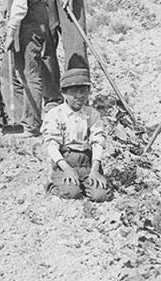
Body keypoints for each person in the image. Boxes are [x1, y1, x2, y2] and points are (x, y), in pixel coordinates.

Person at [0, 0, 62, 138]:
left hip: (32, 20)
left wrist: (10, 31)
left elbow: (20, 2)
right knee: (18, 69)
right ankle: (20, 120)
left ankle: (32, 125)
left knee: (30, 71)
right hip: (25, 18)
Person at [41, 68, 112, 201]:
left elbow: (98, 142)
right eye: (74, 92)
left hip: (87, 163)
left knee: (101, 196)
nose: (79, 96)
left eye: (83, 91)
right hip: (65, 162)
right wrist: (66, 168)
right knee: (72, 193)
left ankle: (85, 185)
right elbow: (51, 145)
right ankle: (53, 186)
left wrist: (95, 169)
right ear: (64, 93)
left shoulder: (92, 114)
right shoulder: (55, 114)